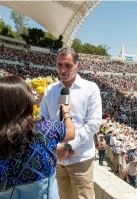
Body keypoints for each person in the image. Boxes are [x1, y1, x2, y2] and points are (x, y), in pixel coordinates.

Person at [0, 76, 75, 199]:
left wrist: (3, 182)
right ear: (26, 101)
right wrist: (65, 112)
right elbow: (71, 133)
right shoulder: (47, 128)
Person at [40, 47, 102, 199]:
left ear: (77, 65)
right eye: (59, 65)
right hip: (57, 158)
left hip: (80, 158)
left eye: (68, 65)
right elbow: (44, 121)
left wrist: (69, 146)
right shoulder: (50, 90)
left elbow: (93, 124)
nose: (62, 70)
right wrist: (56, 148)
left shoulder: (90, 88)